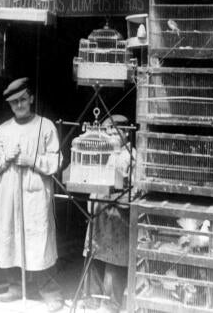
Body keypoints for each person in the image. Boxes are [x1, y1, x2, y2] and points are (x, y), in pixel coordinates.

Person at [0, 77, 64, 312]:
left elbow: (57, 160)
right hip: (9, 192)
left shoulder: (45, 126)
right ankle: (15, 286)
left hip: (35, 192)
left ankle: (50, 291)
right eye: (14, 103)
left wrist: (33, 160)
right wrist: (5, 157)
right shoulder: (3, 130)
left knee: (38, 240)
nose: (19, 105)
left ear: (31, 98)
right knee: (9, 237)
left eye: (22, 100)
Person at [82, 115, 137, 313]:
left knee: (115, 260)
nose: (112, 134)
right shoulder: (99, 151)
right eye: (107, 131)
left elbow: (134, 191)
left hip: (117, 218)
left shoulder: (131, 156)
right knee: (94, 256)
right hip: (98, 216)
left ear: (127, 133)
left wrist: (113, 193)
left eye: (117, 130)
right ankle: (91, 301)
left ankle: (110, 304)